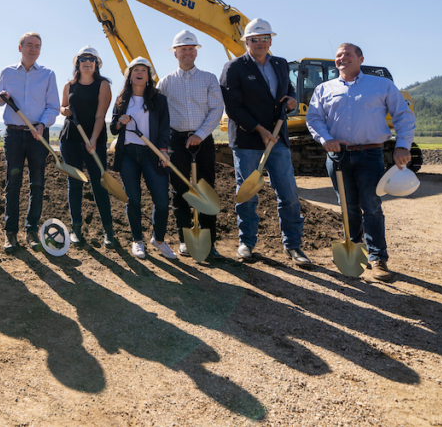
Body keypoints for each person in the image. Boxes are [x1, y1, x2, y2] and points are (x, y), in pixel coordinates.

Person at [306, 43, 416, 282]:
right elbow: (314, 118)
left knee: (372, 206)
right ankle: (355, 252)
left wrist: (403, 145)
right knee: (347, 207)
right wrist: (325, 139)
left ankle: (378, 259)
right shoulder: (324, 88)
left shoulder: (381, 85)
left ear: (360, 58)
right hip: (338, 156)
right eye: (338, 55)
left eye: (347, 54)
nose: (342, 58)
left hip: (370, 155)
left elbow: (403, 115)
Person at [220, 18, 309, 265]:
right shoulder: (234, 68)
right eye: (254, 39)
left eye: (264, 38)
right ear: (246, 41)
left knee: (289, 193)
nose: (260, 43)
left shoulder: (280, 64)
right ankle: (246, 243)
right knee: (248, 194)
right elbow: (233, 108)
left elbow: (287, 90)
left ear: (271, 40)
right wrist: (259, 129)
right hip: (248, 140)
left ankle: (293, 245)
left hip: (277, 137)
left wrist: (291, 100)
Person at [157, 30, 226, 259]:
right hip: (177, 141)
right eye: (183, 49)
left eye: (191, 49)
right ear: (175, 53)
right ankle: (186, 239)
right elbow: (158, 113)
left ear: (196, 52)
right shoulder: (166, 83)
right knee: (180, 191)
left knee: (205, 189)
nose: (187, 52)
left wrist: (200, 133)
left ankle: (209, 241)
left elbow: (217, 109)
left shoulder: (209, 79)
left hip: (203, 142)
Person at [0, 32, 60, 253]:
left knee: (37, 184)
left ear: (40, 50)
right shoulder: (8, 72)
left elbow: (53, 107)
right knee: (13, 184)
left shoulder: (48, 75)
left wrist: (42, 124)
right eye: (29, 45)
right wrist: (1, 97)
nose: (33, 49)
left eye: (37, 46)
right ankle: (10, 233)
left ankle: (31, 230)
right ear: (20, 47)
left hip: (38, 136)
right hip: (13, 135)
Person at [109, 57, 174, 260]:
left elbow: (164, 127)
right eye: (135, 69)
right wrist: (120, 121)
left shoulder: (159, 100)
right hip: (128, 154)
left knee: (162, 200)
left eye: (143, 70)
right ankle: (137, 240)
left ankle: (159, 239)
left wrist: (163, 150)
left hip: (151, 153)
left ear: (149, 76)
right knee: (133, 199)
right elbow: (112, 129)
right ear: (129, 75)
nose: (139, 73)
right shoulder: (121, 100)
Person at [58, 46, 115, 246]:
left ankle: (108, 231)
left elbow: (101, 115)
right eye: (83, 59)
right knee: (74, 184)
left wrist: (93, 139)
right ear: (78, 63)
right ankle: (76, 229)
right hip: (70, 140)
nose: (87, 62)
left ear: (97, 63)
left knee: (100, 184)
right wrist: (65, 111)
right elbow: (63, 106)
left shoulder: (103, 85)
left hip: (95, 141)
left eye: (91, 59)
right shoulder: (69, 85)